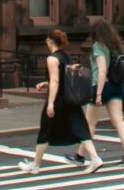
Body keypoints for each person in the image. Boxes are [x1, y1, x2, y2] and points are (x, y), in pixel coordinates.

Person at [19, 26, 105, 174]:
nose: (46, 42)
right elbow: (62, 78)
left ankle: (35, 165)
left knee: (45, 130)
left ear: (51, 41)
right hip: (70, 98)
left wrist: (51, 103)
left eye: (47, 40)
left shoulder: (52, 58)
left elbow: (55, 81)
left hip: (58, 99)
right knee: (80, 128)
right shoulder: (65, 56)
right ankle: (95, 158)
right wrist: (45, 83)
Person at [88, 17, 124, 164]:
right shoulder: (114, 45)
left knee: (90, 123)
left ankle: (81, 155)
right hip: (116, 85)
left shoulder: (98, 46)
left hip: (101, 85)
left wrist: (98, 93)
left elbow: (102, 70)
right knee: (118, 120)